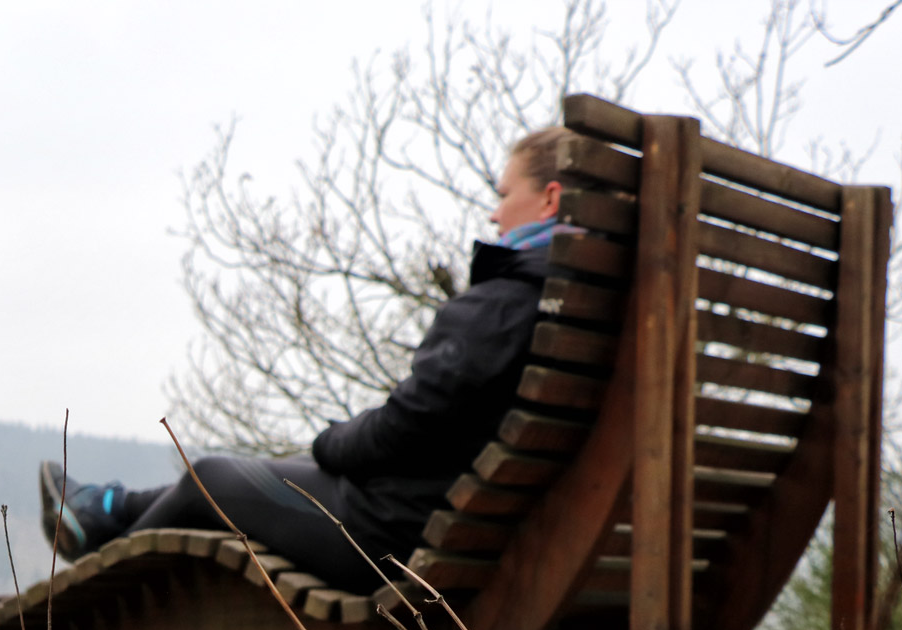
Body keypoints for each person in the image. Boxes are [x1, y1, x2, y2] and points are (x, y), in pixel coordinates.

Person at [40, 126, 571, 594]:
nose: (495, 212)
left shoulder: (504, 306)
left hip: (389, 536)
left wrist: (334, 439)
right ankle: (107, 511)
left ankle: (89, 588)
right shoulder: (571, 305)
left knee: (212, 478)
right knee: (273, 471)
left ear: (550, 199)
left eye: (504, 194)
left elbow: (402, 430)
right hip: (463, 531)